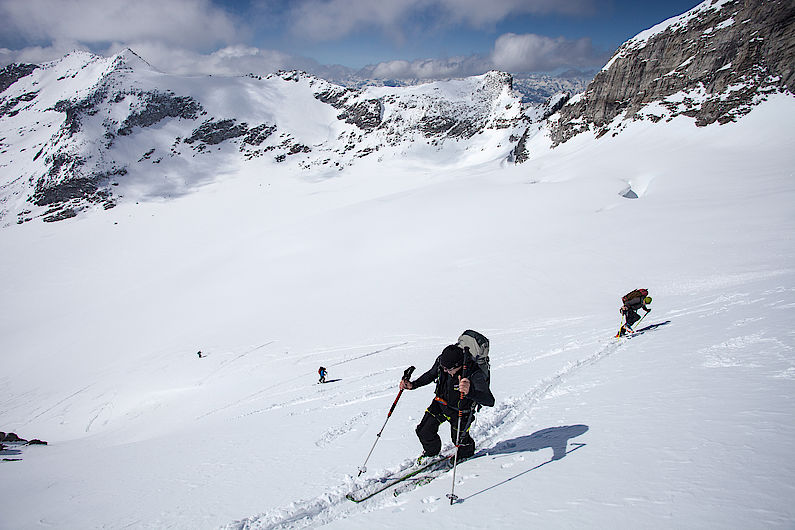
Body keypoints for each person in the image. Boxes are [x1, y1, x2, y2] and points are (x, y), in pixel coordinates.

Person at [400, 344, 494, 461]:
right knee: (424, 431)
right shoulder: (443, 362)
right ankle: (431, 453)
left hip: (461, 411)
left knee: (459, 441)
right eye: (443, 368)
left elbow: (490, 400)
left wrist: (470, 392)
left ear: (458, 365)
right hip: (440, 403)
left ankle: (465, 454)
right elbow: (430, 375)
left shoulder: (473, 373)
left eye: (448, 369)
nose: (445, 371)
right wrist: (413, 385)